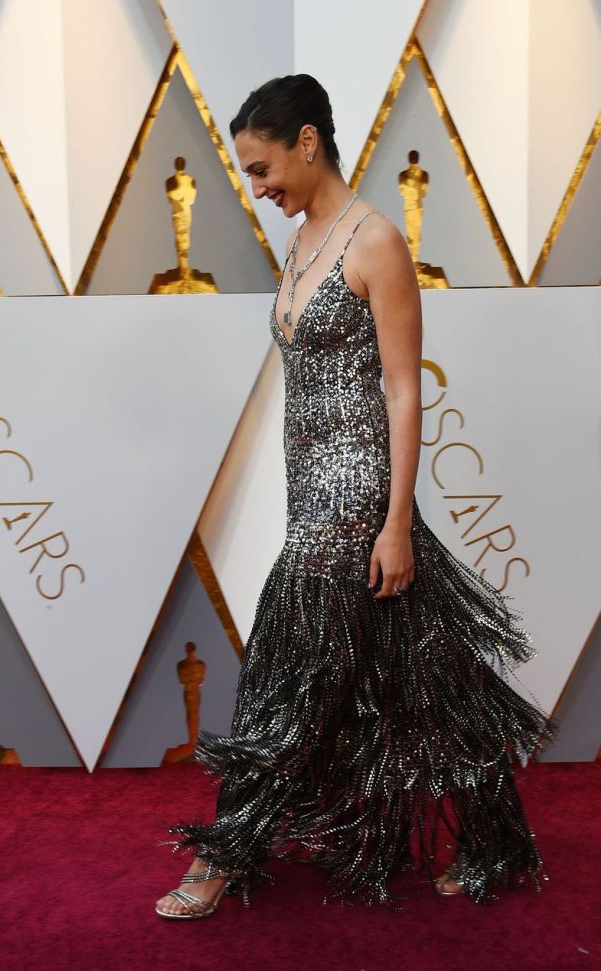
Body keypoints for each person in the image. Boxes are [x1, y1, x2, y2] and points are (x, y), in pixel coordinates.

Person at [155, 74, 558, 919]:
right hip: (309, 489)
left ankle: (222, 853)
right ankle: (495, 841)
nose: (258, 187)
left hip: (356, 494)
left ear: (308, 142)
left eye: (263, 168)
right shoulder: (304, 239)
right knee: (427, 672)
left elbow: (404, 390)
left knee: (282, 664)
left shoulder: (375, 241)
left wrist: (396, 521)